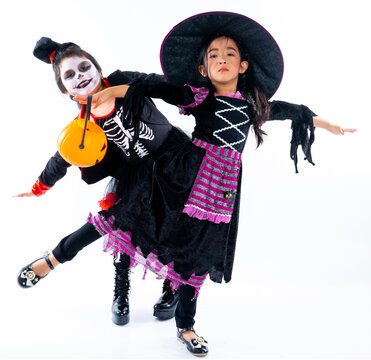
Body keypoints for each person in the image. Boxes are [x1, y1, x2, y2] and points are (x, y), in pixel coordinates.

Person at [73, 12, 356, 357]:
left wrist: (327, 124)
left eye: (230, 53)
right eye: (214, 55)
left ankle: (184, 323)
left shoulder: (254, 106)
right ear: (204, 69)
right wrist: (102, 95)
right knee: (156, 222)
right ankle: (117, 279)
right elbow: (153, 85)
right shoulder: (201, 97)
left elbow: (293, 111)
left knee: (200, 252)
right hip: (184, 174)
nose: (222, 58)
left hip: (221, 188)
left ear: (244, 65)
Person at [16, 37, 180, 325]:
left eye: (84, 67)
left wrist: (197, 95)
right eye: (70, 75)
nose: (80, 76)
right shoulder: (83, 127)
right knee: (118, 226)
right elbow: (62, 158)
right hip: (138, 176)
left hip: (175, 161)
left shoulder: (123, 80)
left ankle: (174, 286)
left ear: (97, 69)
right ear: (66, 91)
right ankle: (119, 292)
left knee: (177, 229)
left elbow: (160, 83)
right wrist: (39, 187)